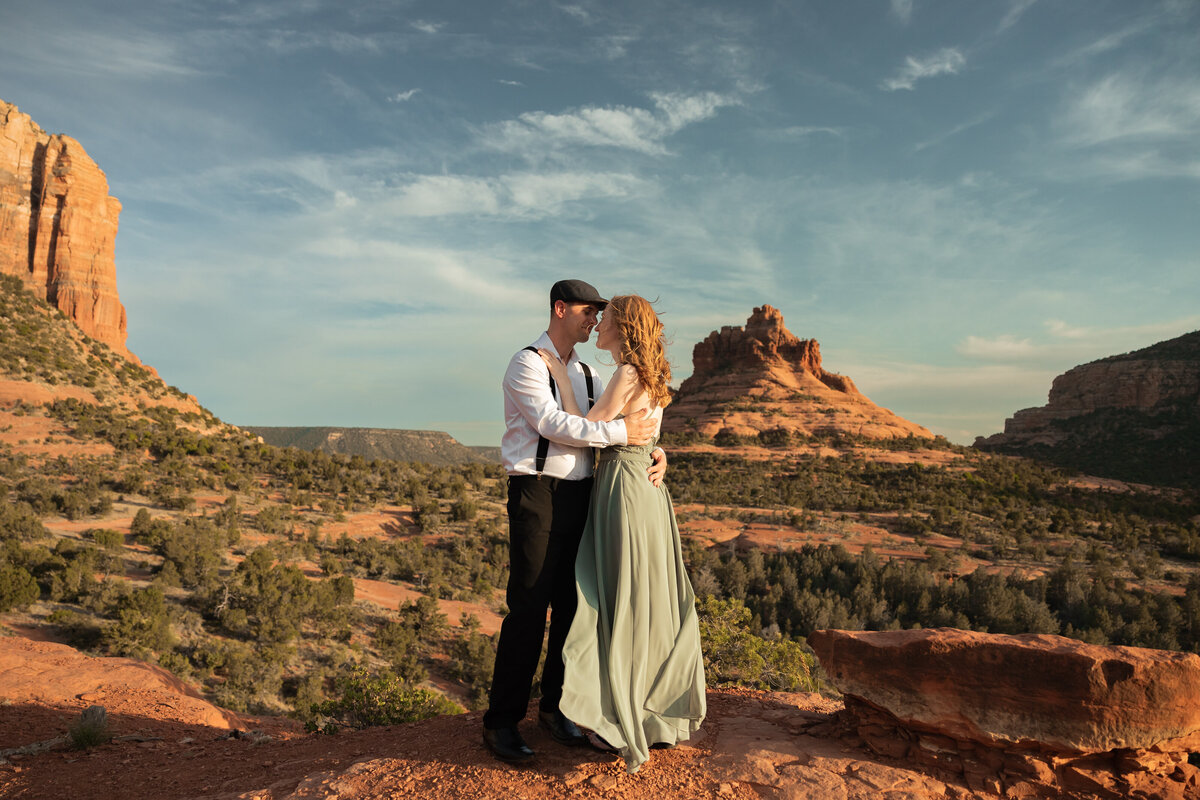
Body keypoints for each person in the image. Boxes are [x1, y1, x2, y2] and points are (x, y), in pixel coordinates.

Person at [482, 279, 667, 764]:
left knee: (573, 607)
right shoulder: (526, 363)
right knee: (528, 606)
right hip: (538, 494)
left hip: (585, 495)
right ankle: (501, 722)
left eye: (599, 315)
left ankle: (555, 708)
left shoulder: (585, 373)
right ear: (560, 309)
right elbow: (553, 424)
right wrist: (622, 431)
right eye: (588, 312)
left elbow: (622, 417)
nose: (594, 320)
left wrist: (652, 448)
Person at [538, 294, 706, 774]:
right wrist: (660, 452)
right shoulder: (648, 375)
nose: (598, 324)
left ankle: (616, 716)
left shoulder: (628, 372)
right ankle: (652, 716)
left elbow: (584, 428)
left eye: (605, 318)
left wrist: (557, 373)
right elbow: (643, 432)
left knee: (618, 597)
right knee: (645, 597)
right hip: (647, 493)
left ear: (624, 327)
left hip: (623, 491)